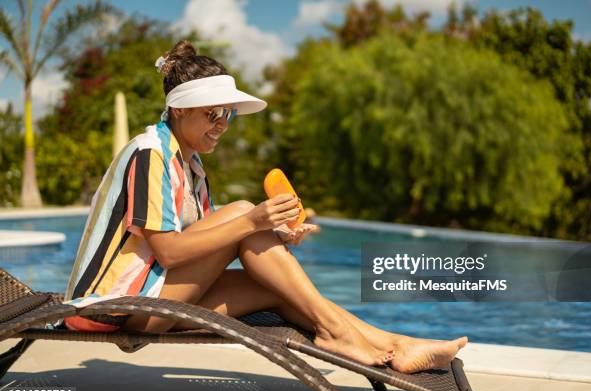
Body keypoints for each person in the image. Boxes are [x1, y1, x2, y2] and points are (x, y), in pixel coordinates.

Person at [62, 40, 467, 373]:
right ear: (180, 109)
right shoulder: (149, 153)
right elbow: (170, 251)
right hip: (112, 307)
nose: (221, 125)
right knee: (242, 212)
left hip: (154, 296)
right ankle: (339, 335)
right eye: (212, 114)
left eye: (227, 116)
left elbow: (204, 246)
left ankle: (401, 344)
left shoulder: (192, 167)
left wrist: (270, 236)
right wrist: (252, 220)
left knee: (277, 287)